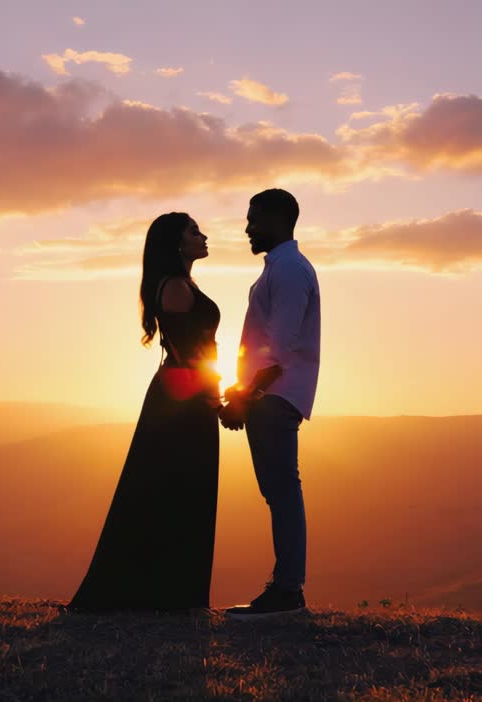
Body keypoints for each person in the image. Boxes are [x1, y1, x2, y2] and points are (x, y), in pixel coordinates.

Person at [66, 212, 221, 612]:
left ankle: (174, 592)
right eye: (194, 231)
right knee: (173, 486)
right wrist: (210, 395)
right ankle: (164, 592)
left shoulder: (182, 284)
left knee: (183, 487)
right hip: (182, 398)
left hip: (187, 395)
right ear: (176, 243)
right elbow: (191, 352)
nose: (203, 236)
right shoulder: (174, 287)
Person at [220, 188, 321, 619]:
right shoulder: (280, 268)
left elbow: (278, 348)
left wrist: (246, 396)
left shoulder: (291, 269)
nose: (247, 228)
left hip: (274, 397)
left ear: (279, 219)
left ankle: (287, 591)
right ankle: (286, 588)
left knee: (281, 492)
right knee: (278, 492)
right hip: (270, 396)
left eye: (254, 219)